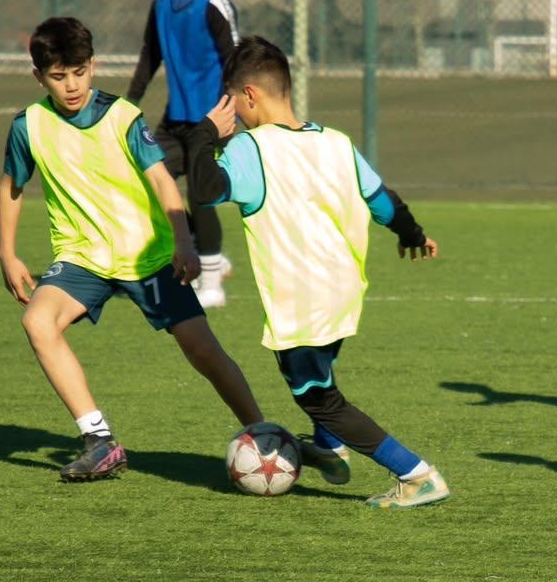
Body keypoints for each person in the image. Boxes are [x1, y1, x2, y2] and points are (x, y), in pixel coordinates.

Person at [188, 36, 451, 510]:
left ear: (250, 95)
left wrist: (204, 133)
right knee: (321, 377)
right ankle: (330, 450)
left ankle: (417, 475)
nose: (233, 114)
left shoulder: (252, 149)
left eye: (232, 102)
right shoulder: (336, 142)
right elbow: (382, 200)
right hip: (343, 290)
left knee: (318, 400)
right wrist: (411, 233)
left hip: (302, 301)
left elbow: (204, 190)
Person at [0, 17, 263, 482]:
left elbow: (162, 180)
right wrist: (7, 252)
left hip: (147, 255)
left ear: (93, 66)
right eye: (58, 76)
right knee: (38, 322)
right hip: (83, 257)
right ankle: (98, 440)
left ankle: (262, 433)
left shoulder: (122, 117)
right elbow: (11, 186)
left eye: (79, 72)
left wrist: (183, 242)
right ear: (39, 77)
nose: (71, 85)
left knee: (202, 349)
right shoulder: (29, 126)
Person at [127, 0, 240, 309]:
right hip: (174, 123)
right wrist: (130, 102)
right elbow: (150, 56)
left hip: (210, 121)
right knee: (143, 182)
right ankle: (207, 254)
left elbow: (234, 61)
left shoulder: (215, 4)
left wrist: (228, 112)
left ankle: (212, 284)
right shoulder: (162, 4)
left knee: (200, 195)